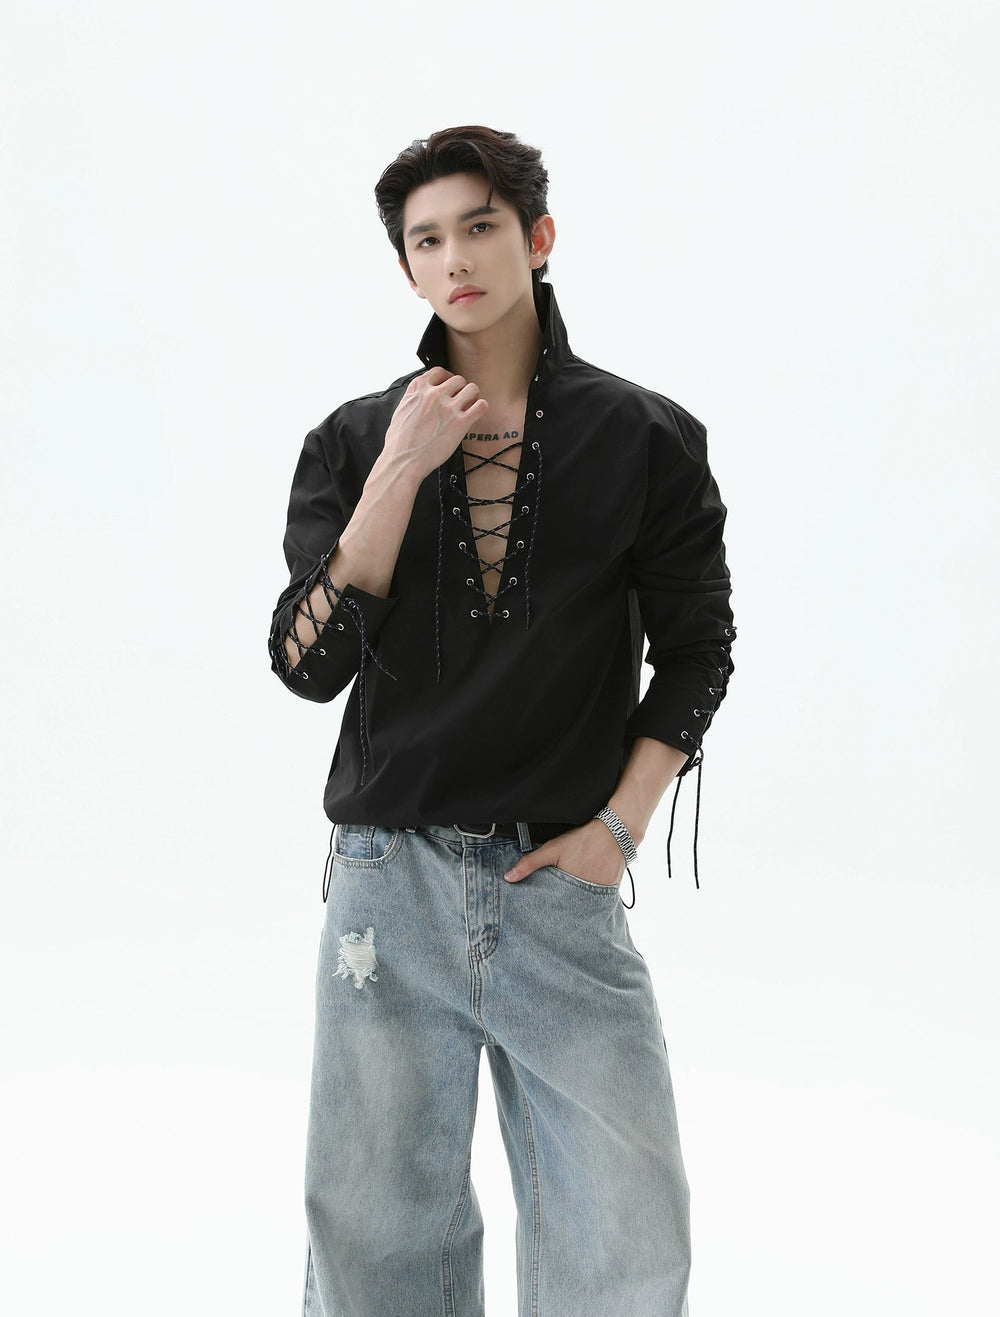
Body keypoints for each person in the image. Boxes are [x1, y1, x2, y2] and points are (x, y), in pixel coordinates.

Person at [267, 125, 737, 1317]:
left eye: (478, 226)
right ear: (406, 268)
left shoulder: (645, 438)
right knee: (374, 1237)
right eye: (426, 240)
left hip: (557, 885)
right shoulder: (354, 440)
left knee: (623, 1235)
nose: (455, 258)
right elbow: (307, 664)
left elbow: (695, 651)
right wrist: (399, 469)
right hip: (387, 886)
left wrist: (619, 832)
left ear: (537, 237)